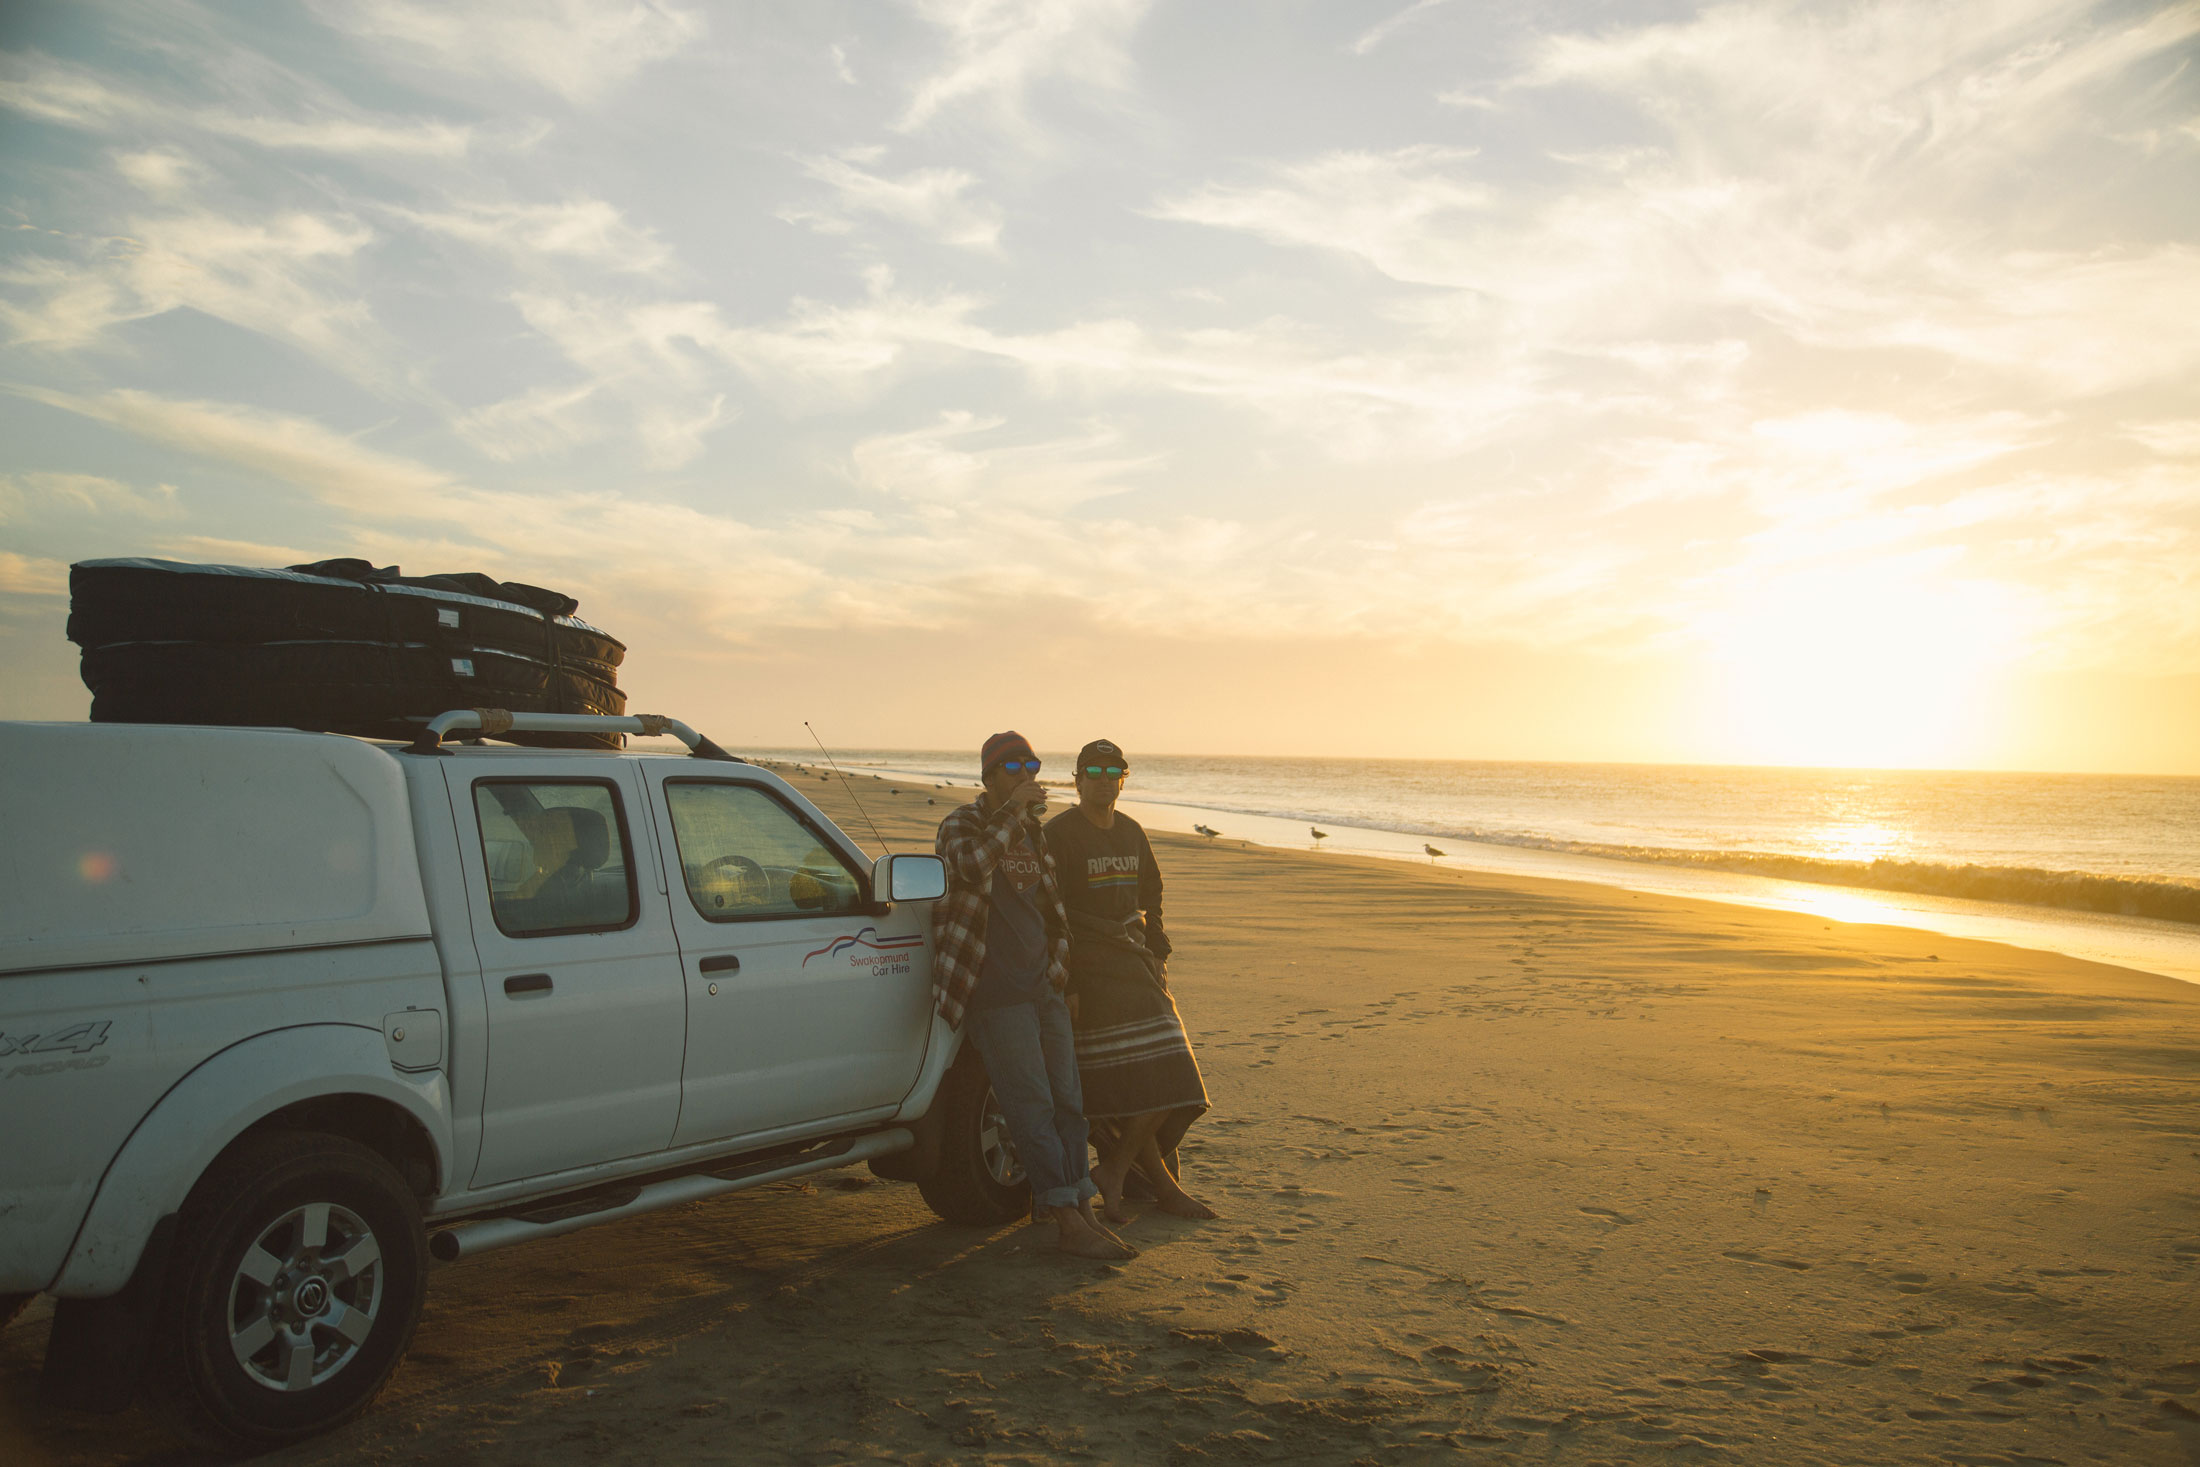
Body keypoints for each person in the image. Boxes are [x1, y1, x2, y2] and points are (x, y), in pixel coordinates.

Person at [933, 731, 1133, 1260]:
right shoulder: (963, 823)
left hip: (1042, 988)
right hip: (994, 993)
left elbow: (1052, 909)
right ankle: (1065, 1220)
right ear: (990, 776)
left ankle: (1081, 1208)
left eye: (1032, 765)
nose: (1027, 775)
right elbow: (971, 865)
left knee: (1070, 1104)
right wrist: (1012, 816)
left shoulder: (1032, 833)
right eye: (1014, 767)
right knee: (1030, 1107)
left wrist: (1058, 972)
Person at [1043, 739, 1217, 1223]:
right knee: (1125, 1090)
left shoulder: (1132, 832)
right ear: (1077, 779)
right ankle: (1154, 1185)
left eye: (1112, 770)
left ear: (1123, 778)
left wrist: (1158, 951)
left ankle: (1117, 1170)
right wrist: (1071, 982)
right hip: (1090, 968)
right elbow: (1050, 913)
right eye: (1092, 770)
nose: (1103, 778)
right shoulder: (1058, 834)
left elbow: (1153, 895)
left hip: (1133, 959)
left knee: (1175, 1077)